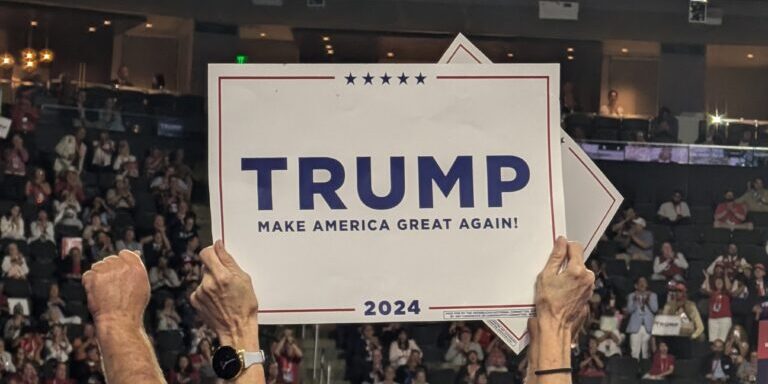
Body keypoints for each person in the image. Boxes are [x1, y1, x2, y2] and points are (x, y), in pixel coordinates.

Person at [625, 277, 658, 360]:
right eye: (640, 282)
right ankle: (634, 370)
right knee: (634, 352)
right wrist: (635, 301)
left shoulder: (653, 295)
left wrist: (648, 300)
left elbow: (655, 309)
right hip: (635, 326)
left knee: (646, 353)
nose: (642, 284)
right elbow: (629, 310)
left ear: (647, 285)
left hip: (648, 326)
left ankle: (645, 369)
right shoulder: (631, 295)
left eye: (644, 282)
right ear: (636, 285)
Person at [702, 273, 734, 343]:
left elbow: (729, 287)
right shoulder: (712, 293)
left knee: (724, 340)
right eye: (717, 281)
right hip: (712, 319)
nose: (719, 282)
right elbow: (706, 289)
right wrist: (707, 278)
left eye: (720, 281)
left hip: (725, 318)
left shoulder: (727, 293)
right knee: (713, 341)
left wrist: (725, 276)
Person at [3, 134, 29, 200]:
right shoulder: (8, 150)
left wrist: (20, 149)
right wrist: (15, 149)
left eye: (18, 140)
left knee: (20, 194)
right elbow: (8, 158)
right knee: (7, 192)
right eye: (15, 140)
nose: (17, 142)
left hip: (20, 175)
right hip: (10, 174)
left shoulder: (24, 150)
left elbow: (25, 159)